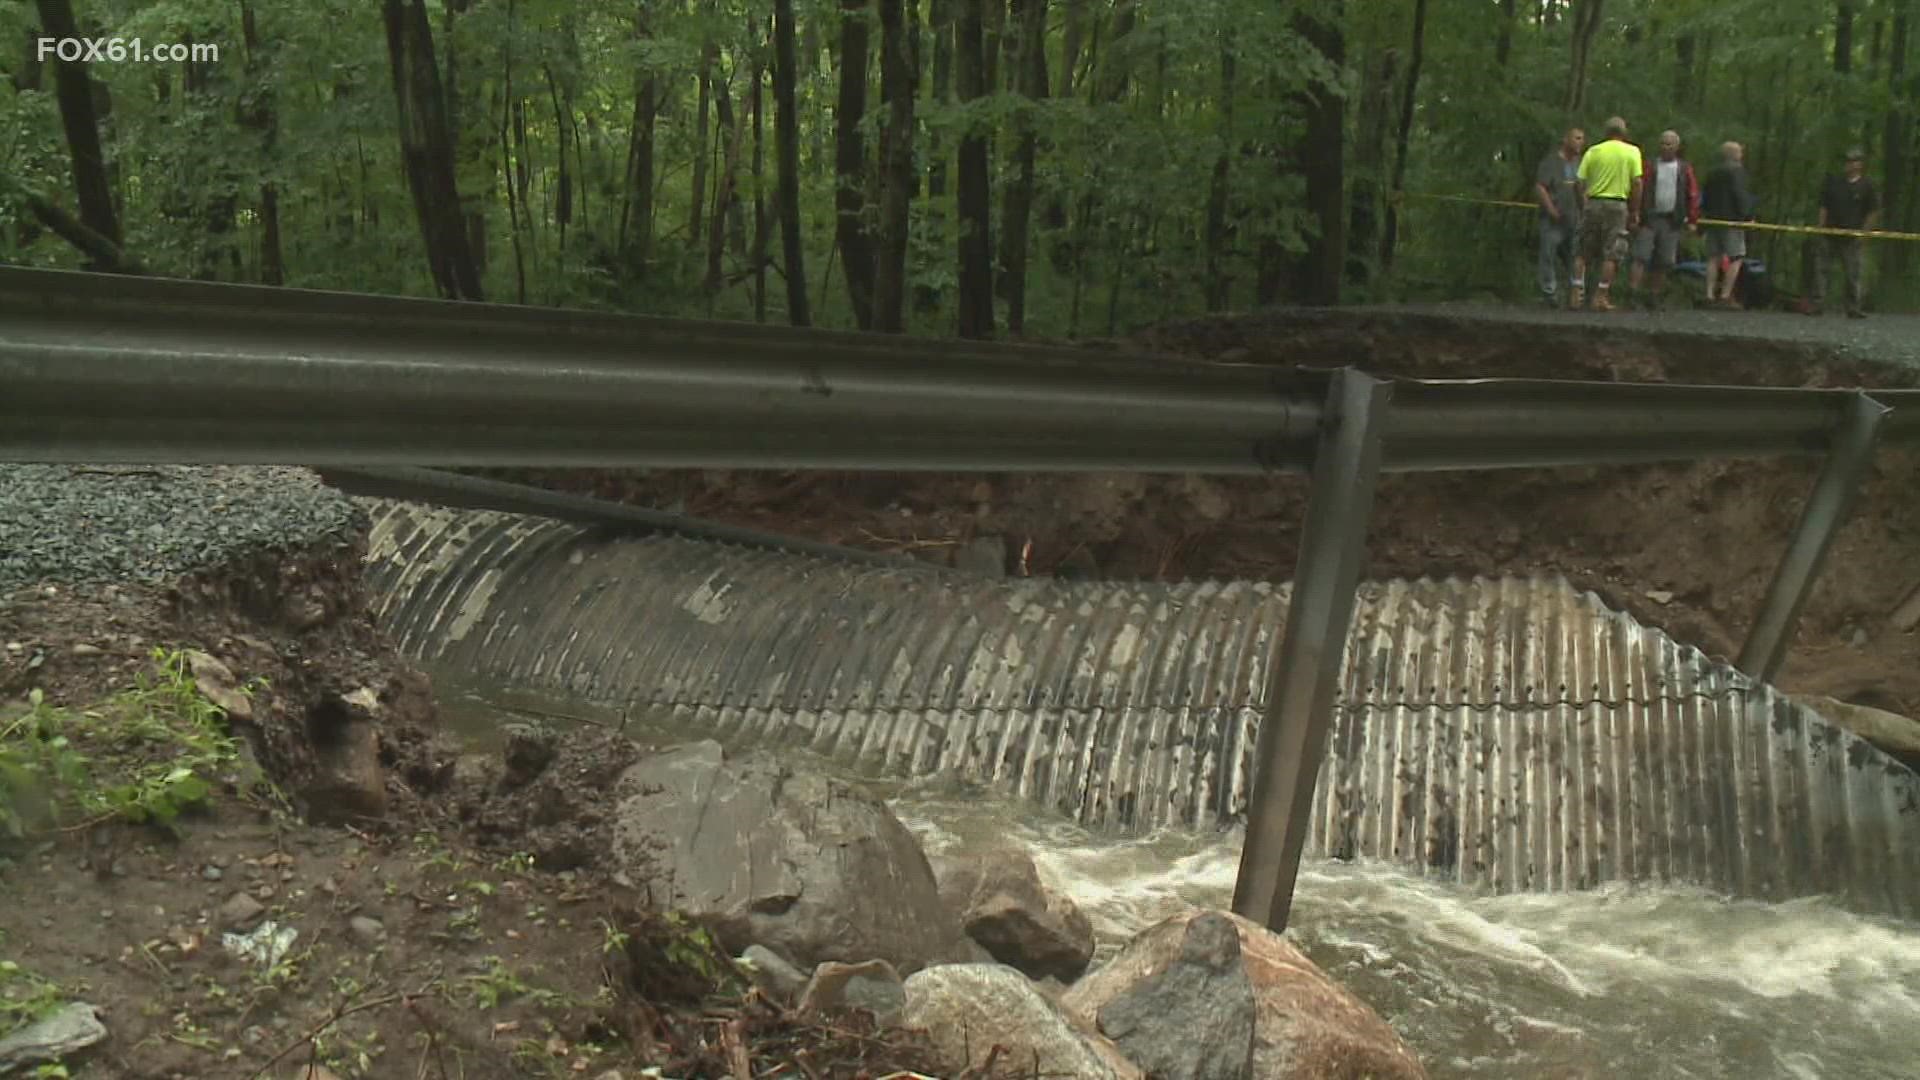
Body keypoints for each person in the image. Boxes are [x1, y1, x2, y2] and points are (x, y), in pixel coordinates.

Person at [1626, 130, 1700, 310]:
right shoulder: (1649, 165)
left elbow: (1692, 194)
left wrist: (1692, 219)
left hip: (1671, 219)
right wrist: (1634, 213)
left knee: (1665, 260)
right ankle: (1633, 295)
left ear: (1677, 147)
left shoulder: (1684, 168)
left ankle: (1654, 296)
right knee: (1640, 256)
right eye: (1663, 143)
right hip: (1649, 218)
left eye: (1670, 144)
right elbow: (1638, 188)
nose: (1666, 147)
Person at [1575, 116, 1643, 312]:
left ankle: (1576, 293)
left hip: (1594, 202)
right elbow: (1637, 183)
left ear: (1606, 132)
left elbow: (1579, 182)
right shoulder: (1632, 152)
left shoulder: (1594, 151)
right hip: (1617, 204)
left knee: (1582, 250)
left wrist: (1583, 204)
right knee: (1612, 252)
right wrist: (1635, 210)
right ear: (1624, 133)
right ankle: (1601, 295)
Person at [1812, 146, 1879, 318]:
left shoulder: (1867, 186)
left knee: (1853, 273)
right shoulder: (1834, 183)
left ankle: (1853, 307)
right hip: (1829, 233)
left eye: (1853, 161)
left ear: (1860, 165)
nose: (1849, 164)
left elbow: (1872, 211)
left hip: (1852, 236)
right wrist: (1820, 227)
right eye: (1847, 161)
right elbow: (1824, 206)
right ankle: (1818, 304)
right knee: (1822, 270)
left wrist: (1865, 233)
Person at [1699, 141, 1756, 308]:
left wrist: (1704, 216)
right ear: (1734, 154)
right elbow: (1740, 195)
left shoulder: (1713, 172)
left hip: (1713, 219)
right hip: (1732, 220)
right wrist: (1748, 216)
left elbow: (1705, 196)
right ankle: (1725, 295)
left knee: (1713, 257)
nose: (1742, 155)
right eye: (1740, 152)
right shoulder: (1738, 172)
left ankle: (1709, 294)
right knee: (1736, 257)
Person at [1535, 127, 1587, 307]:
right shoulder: (1551, 162)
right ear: (1566, 140)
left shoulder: (1580, 163)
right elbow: (1541, 187)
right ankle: (1549, 294)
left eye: (1582, 139)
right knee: (1548, 255)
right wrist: (1551, 210)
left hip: (1574, 219)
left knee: (1574, 257)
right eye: (1576, 138)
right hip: (1552, 220)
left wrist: (1585, 210)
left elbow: (1581, 189)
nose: (1580, 142)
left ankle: (1575, 296)